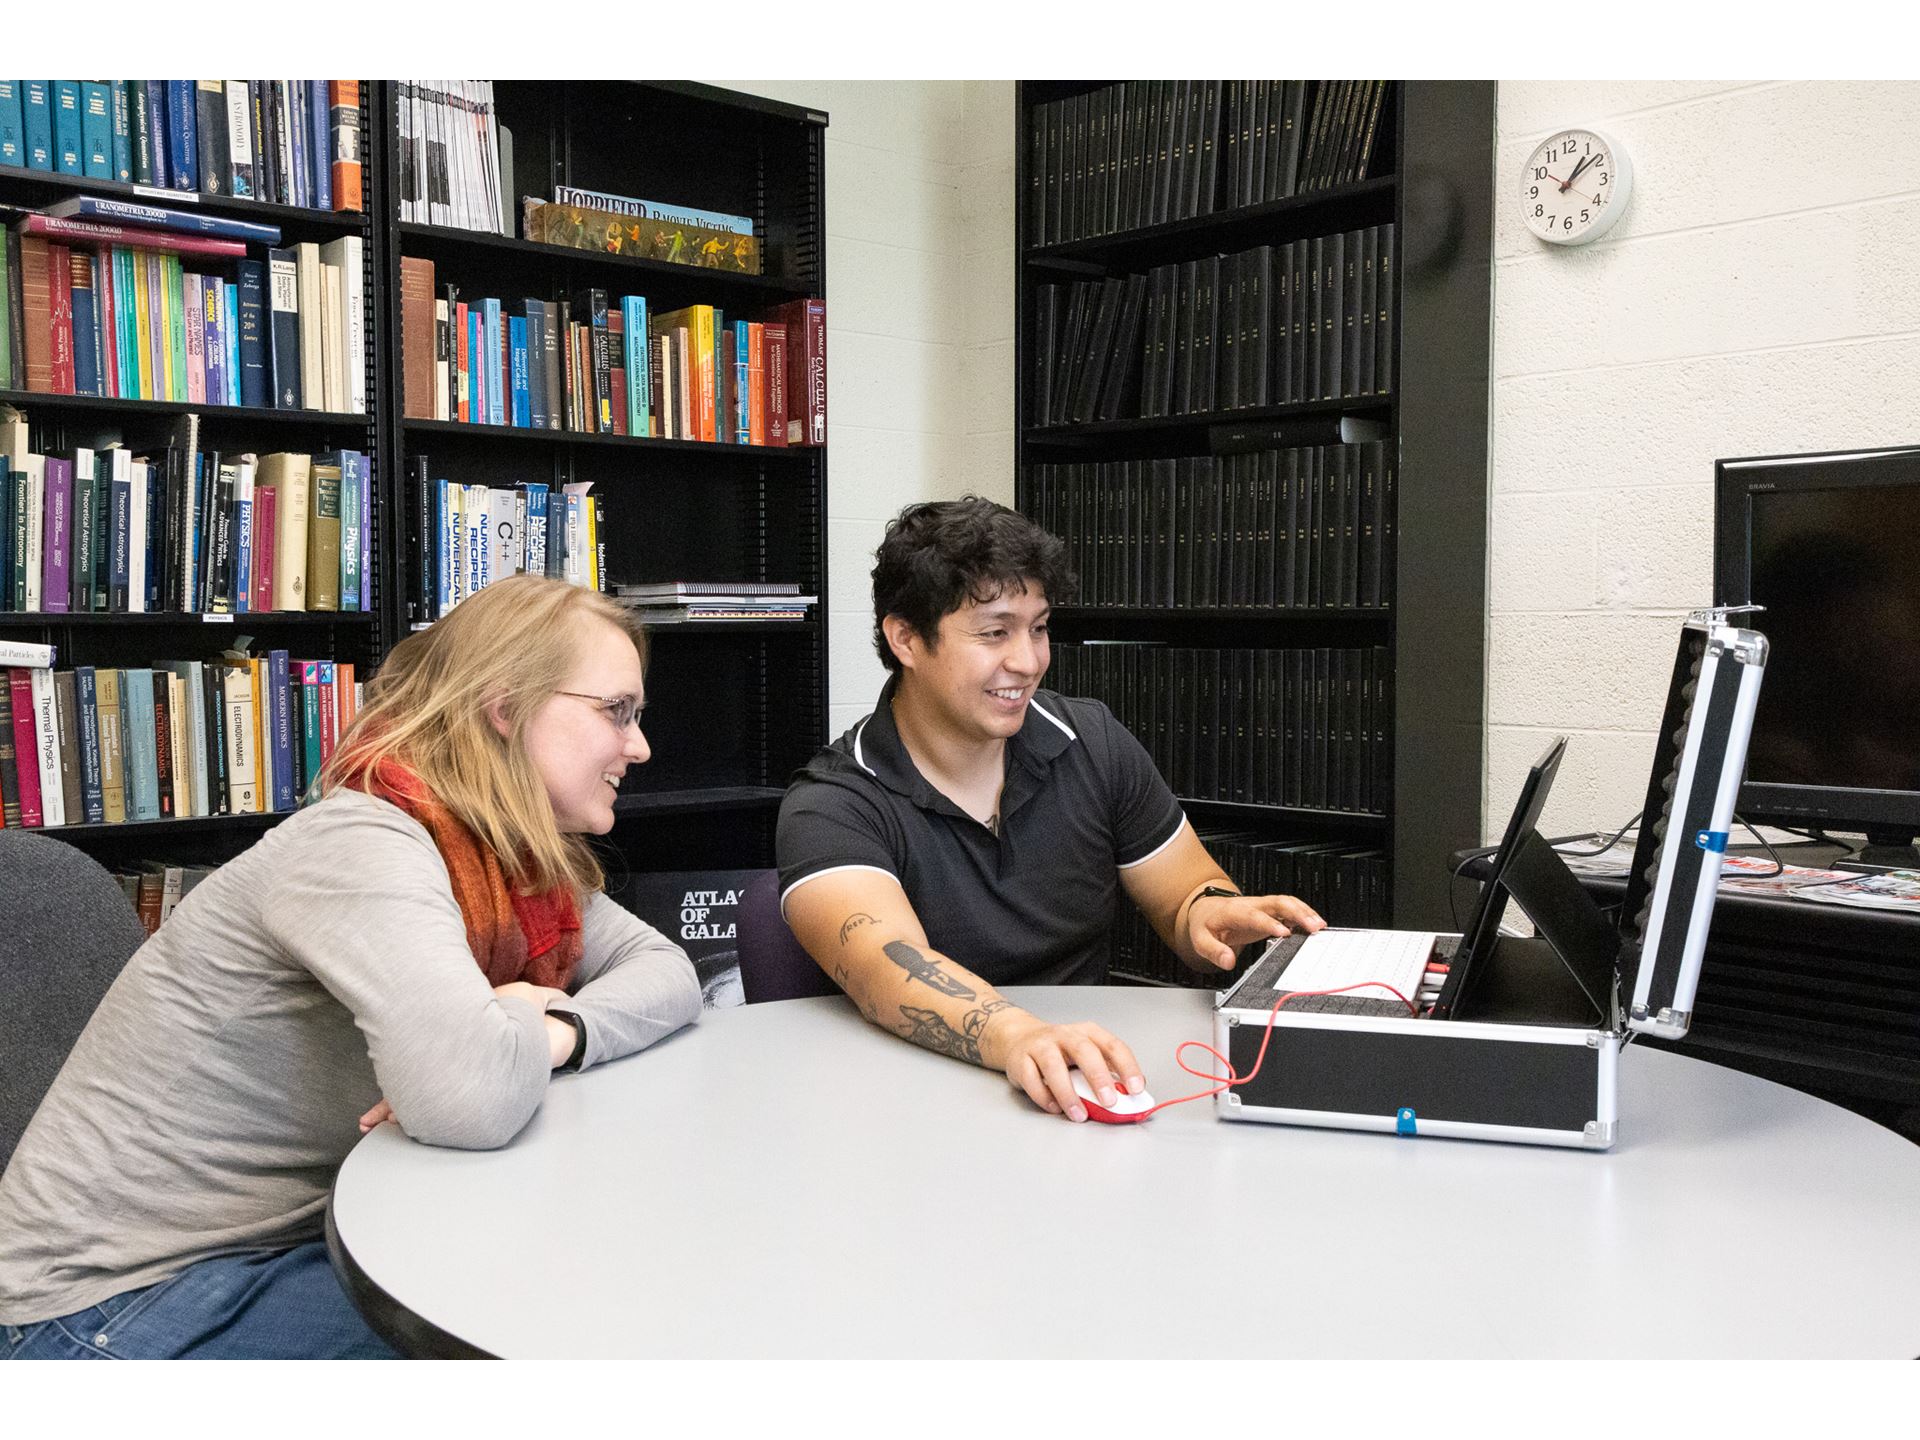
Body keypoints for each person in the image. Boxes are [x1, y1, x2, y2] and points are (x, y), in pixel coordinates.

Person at [0, 575, 701, 1359]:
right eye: (617, 712)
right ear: (506, 709)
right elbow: (470, 1098)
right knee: (554, 1348)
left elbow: (666, 970)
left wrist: (555, 1027)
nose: (638, 745)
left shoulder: (510, 863)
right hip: (109, 1302)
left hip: (286, 1242)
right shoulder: (365, 844)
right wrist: (500, 1028)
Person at [777, 497, 1323, 1124]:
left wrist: (1213, 913)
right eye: (994, 633)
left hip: (1085, 1083)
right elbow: (887, 966)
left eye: (1038, 628)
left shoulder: (1091, 740)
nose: (1029, 661)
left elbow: (1183, 896)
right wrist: (1017, 1036)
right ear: (905, 638)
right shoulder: (832, 803)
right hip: (913, 1105)